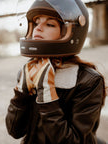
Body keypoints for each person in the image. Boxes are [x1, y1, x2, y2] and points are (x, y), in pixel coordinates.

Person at [6, 0, 107, 144]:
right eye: (36, 22)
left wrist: (48, 99)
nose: (38, 28)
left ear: (69, 32)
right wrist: (20, 95)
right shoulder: (29, 72)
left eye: (49, 24)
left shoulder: (89, 81)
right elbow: (14, 131)